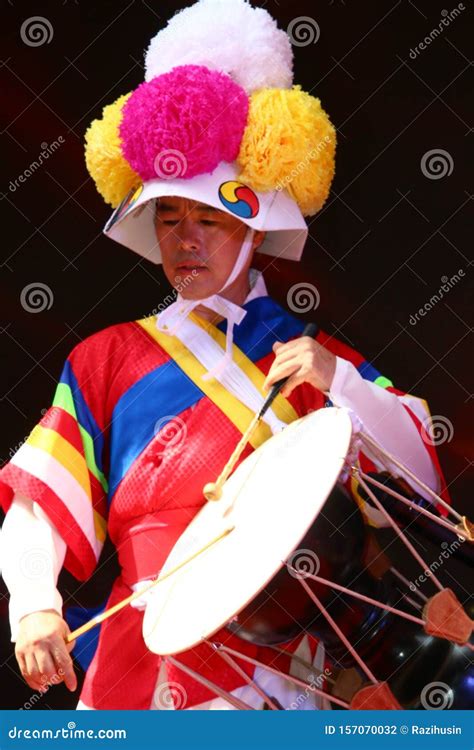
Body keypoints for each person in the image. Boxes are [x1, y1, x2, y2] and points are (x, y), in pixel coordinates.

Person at [0, 0, 448, 710]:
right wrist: (32, 602)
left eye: (210, 218)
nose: (185, 239)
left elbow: (420, 482)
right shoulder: (104, 359)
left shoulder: (311, 360)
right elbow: (37, 502)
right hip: (144, 658)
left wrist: (343, 385)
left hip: (288, 671)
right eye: (169, 217)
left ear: (256, 230)